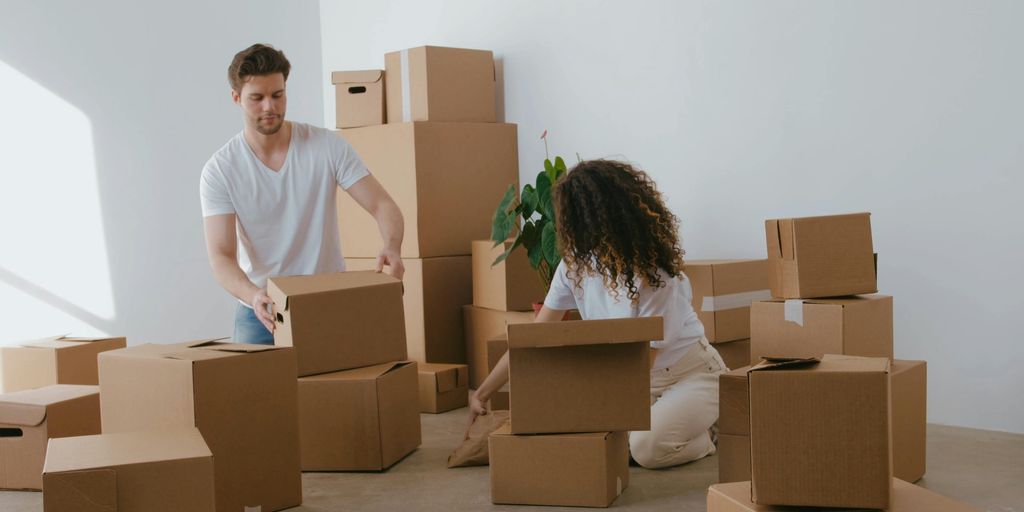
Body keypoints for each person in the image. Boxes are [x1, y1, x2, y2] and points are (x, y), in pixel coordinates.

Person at [469, 159, 726, 469]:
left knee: (645, 449)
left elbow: (642, 363)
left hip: (689, 375)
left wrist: (591, 405)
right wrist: (482, 393)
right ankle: (666, 425)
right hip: (639, 382)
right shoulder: (573, 267)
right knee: (592, 435)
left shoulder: (657, 278)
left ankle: (707, 437)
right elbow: (532, 339)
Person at [200, 44, 404, 345]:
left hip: (328, 302)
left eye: (277, 95)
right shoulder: (220, 170)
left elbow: (382, 203)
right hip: (261, 312)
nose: (269, 107)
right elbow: (221, 256)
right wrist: (253, 295)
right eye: (257, 98)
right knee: (257, 393)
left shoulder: (326, 146)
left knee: (339, 391)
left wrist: (392, 245)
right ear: (236, 98)